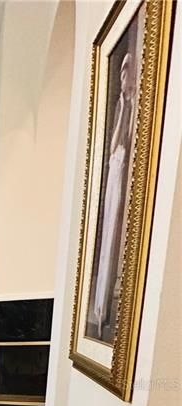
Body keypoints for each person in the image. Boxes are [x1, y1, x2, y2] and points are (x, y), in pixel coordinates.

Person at [90, 51, 136, 340]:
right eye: (120, 72)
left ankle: (104, 308)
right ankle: (101, 310)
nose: (123, 78)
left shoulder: (133, 107)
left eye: (126, 72)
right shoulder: (121, 105)